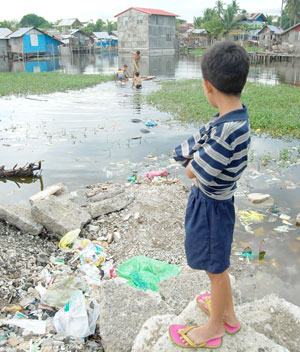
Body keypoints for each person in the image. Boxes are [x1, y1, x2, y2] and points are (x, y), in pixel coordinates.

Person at [169, 42, 250, 349]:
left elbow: (193, 171)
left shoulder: (226, 133)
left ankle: (214, 329)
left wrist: (192, 161)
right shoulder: (236, 118)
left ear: (207, 86)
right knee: (218, 265)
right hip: (220, 201)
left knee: (215, 269)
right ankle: (227, 313)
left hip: (212, 207)